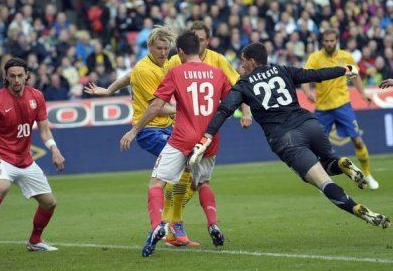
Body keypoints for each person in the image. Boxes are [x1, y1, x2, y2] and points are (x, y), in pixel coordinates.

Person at [84, 22, 252, 247]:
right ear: (150, 47)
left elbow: (130, 78)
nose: (164, 53)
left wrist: (109, 90)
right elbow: (155, 104)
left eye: (166, 48)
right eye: (159, 48)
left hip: (176, 130)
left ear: (178, 51)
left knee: (176, 180)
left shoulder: (171, 64)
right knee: (195, 178)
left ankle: (167, 225)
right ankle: (177, 224)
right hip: (158, 130)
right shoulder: (149, 70)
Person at [192, 42, 390, 231]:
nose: (241, 65)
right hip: (310, 124)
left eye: (243, 61)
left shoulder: (243, 84)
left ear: (252, 61)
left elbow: (224, 110)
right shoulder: (283, 70)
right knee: (328, 163)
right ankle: (342, 163)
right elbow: (316, 75)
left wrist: (206, 136)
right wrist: (344, 70)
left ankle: (357, 209)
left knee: (323, 183)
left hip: (286, 138)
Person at [120, 31, 232, 257]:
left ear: (180, 51)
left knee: (156, 183)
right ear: (199, 49)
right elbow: (231, 104)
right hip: (209, 138)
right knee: (203, 182)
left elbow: (155, 107)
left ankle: (158, 226)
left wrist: (134, 130)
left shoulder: (176, 72)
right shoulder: (218, 73)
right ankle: (212, 224)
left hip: (182, 137)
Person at [0, 57, 65, 253]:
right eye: (12, 76)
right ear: (6, 77)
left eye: (20, 76)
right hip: (1, 158)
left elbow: (44, 130)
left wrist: (54, 149)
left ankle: (34, 240)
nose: (16, 80)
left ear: (27, 76)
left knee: (50, 203)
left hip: (25, 160)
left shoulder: (37, 97)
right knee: (2, 186)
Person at [301, 29, 379, 189]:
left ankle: (368, 174)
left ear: (336, 41)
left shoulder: (345, 56)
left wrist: (363, 94)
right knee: (319, 148)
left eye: (332, 40)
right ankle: (323, 182)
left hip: (343, 105)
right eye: (326, 41)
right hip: (322, 109)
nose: (329, 43)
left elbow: (355, 76)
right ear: (322, 42)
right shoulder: (315, 58)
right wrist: (308, 92)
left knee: (357, 140)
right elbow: (305, 76)